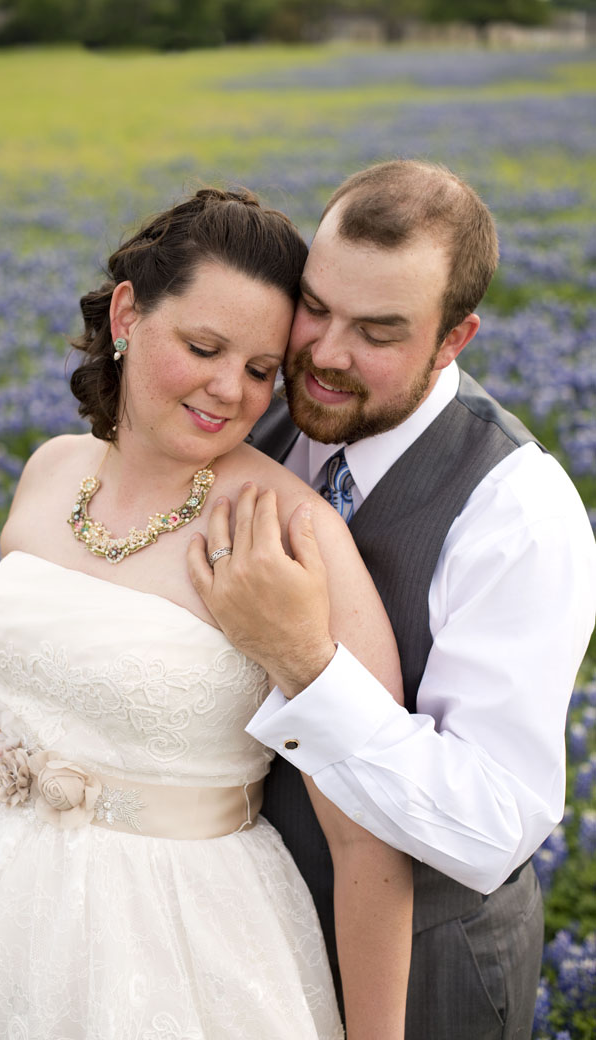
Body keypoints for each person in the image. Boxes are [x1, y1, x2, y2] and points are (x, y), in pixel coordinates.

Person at [0, 187, 412, 1040]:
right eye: (204, 347)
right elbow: (33, 658)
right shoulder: (54, 469)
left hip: (177, 943)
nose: (230, 392)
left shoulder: (289, 533)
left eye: (259, 370)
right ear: (130, 313)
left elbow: (371, 836)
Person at [183, 161, 596, 1040]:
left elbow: (491, 825)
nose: (327, 353)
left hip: (430, 967)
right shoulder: (252, 407)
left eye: (378, 331)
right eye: (317, 307)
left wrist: (306, 662)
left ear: (455, 339)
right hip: (232, 930)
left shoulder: (517, 510)